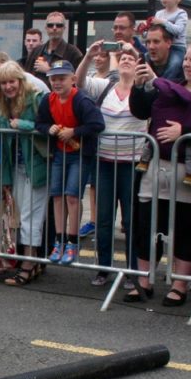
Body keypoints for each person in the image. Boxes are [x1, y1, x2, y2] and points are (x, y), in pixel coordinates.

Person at [124, 41, 191, 306]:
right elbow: (141, 110)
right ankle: (144, 280)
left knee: (186, 226)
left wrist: (185, 131)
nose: (187, 64)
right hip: (156, 165)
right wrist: (138, 87)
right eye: (186, 59)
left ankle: (180, 284)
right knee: (147, 223)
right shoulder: (171, 84)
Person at [76, 42, 148, 286]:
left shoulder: (143, 88)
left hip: (132, 164)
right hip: (105, 162)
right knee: (104, 218)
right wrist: (88, 55)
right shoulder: (105, 86)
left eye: (131, 58)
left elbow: (159, 86)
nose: (126, 60)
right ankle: (103, 269)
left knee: (130, 220)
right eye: (123, 57)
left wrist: (139, 54)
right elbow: (79, 82)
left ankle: (132, 271)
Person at [35, 59, 104, 266]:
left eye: (62, 78)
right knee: (56, 196)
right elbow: (40, 123)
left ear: (73, 79)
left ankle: (72, 242)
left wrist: (74, 131)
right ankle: (59, 240)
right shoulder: (48, 99)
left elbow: (97, 124)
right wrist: (49, 129)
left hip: (80, 155)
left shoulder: (81, 100)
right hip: (59, 153)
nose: (57, 83)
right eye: (54, 79)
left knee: (72, 196)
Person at [0, 60, 48, 286]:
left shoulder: (36, 99)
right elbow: (5, 146)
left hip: (36, 166)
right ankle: (29, 261)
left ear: (21, 81)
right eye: (3, 83)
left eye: (12, 81)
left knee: (30, 217)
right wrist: (5, 178)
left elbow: (48, 129)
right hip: (16, 167)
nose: (8, 87)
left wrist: (24, 125)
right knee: (20, 216)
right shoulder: (1, 106)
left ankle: (28, 264)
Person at [150, 0, 188, 80]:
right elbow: (154, 31)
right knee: (146, 57)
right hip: (162, 46)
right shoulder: (159, 13)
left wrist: (163, 22)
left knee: (175, 64)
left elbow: (178, 30)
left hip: (177, 47)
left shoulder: (181, 14)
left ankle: (163, 83)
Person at [26, 12, 84, 76]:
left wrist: (49, 70)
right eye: (50, 25)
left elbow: (77, 79)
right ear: (46, 28)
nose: (54, 28)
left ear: (64, 28)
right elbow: (27, 77)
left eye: (58, 25)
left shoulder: (74, 53)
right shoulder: (36, 51)